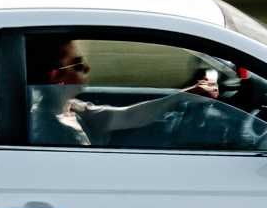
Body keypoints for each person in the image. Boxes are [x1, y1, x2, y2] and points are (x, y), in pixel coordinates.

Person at [26, 37, 223, 146]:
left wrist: (185, 95)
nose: (87, 68)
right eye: (77, 65)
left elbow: (128, 116)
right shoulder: (55, 131)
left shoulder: (73, 109)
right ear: (56, 77)